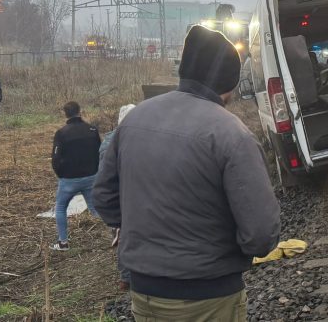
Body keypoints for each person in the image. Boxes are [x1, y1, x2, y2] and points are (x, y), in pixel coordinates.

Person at [94, 25, 280, 322]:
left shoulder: (133, 120)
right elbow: (260, 234)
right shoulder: (232, 134)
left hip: (145, 294)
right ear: (229, 85)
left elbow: (103, 198)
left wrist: (144, 227)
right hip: (209, 296)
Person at [50, 101, 102, 251]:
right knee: (95, 208)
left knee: (60, 208)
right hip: (91, 177)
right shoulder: (92, 129)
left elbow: (55, 159)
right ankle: (113, 233)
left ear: (65, 114)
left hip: (69, 179)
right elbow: (99, 152)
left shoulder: (61, 133)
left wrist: (61, 175)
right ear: (80, 111)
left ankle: (63, 243)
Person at [99, 103, 136, 290]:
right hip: (124, 196)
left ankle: (129, 276)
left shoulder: (111, 139)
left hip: (123, 196)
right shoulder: (116, 142)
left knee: (124, 235)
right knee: (123, 235)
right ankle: (126, 278)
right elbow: (106, 178)